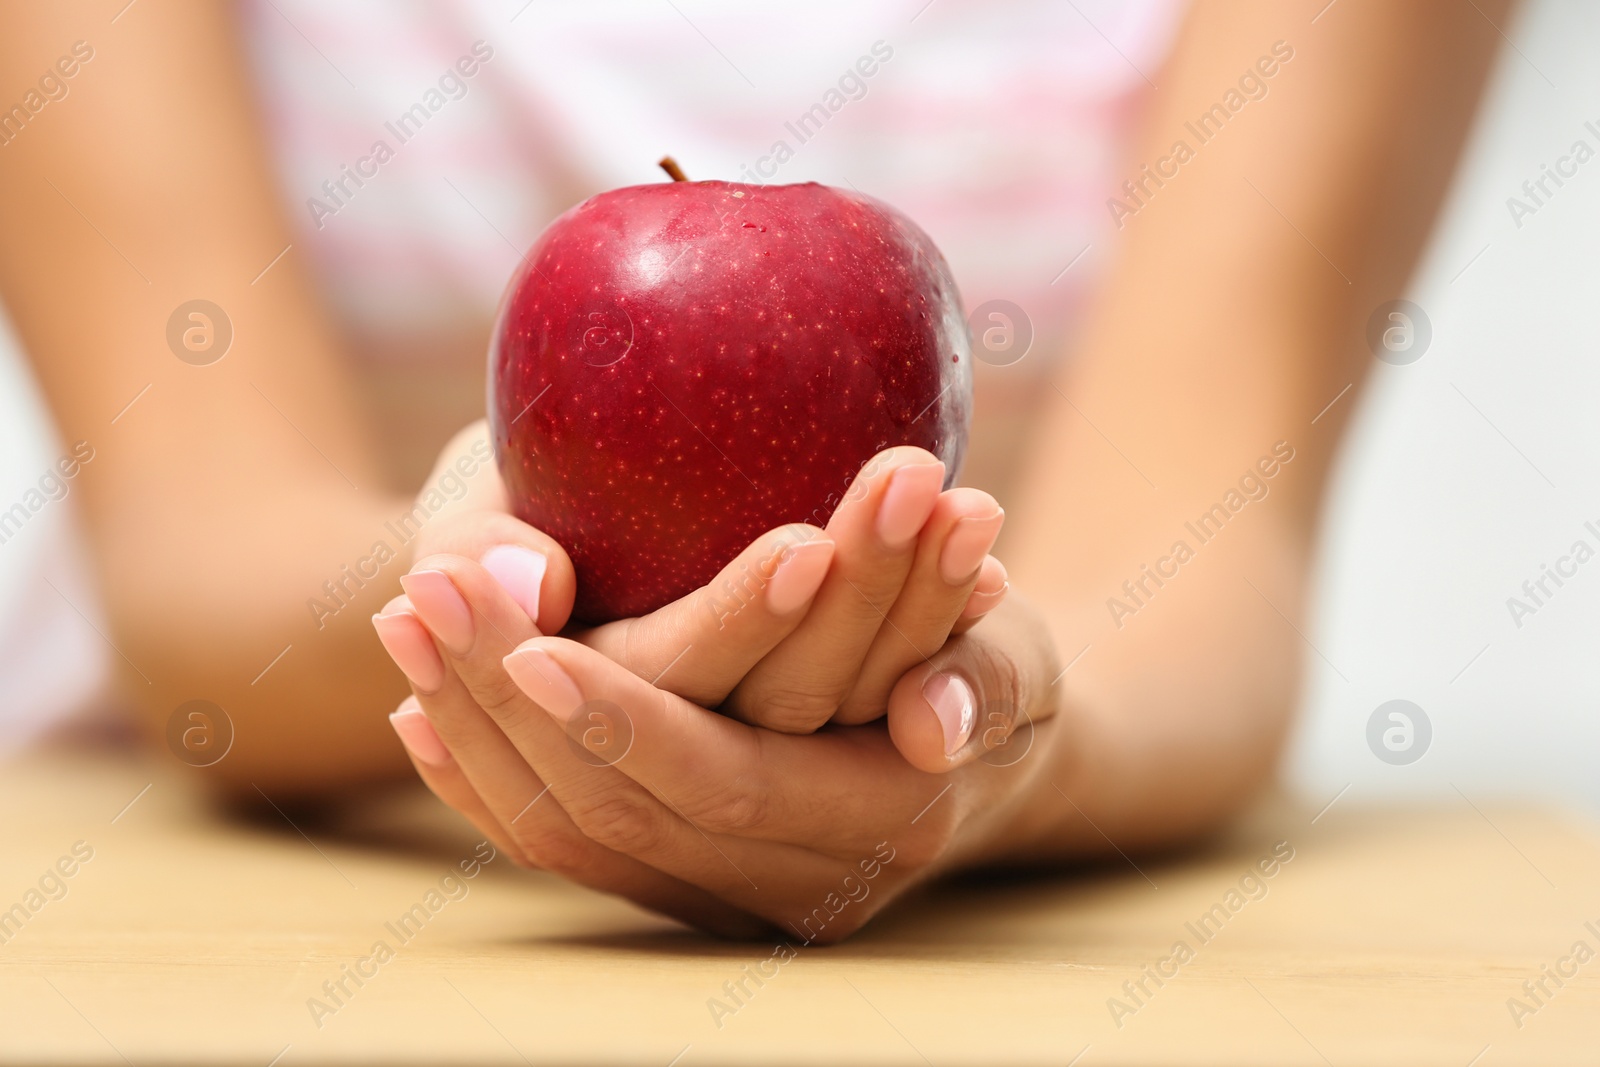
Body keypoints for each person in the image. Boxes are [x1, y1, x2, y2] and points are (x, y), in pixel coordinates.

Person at [0, 0, 1506, 938]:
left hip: (999, 946)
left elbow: (1198, 576)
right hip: (232, 907)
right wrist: (493, 607)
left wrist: (994, 736)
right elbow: (193, 558)